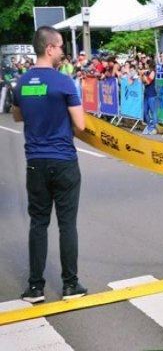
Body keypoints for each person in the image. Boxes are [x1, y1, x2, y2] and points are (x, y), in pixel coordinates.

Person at [12, 26, 87, 303]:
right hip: (64, 160)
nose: (62, 53)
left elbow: (18, 116)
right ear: (49, 49)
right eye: (60, 47)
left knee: (38, 224)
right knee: (67, 224)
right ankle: (70, 285)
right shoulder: (64, 82)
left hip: (35, 162)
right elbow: (80, 125)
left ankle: (35, 287)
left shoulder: (21, 82)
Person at [142, 57, 158, 135]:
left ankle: (154, 128)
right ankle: (149, 126)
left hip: (152, 94)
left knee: (153, 111)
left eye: (145, 63)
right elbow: (142, 81)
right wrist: (143, 77)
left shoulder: (152, 72)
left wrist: (144, 77)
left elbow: (148, 82)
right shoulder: (146, 72)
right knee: (145, 111)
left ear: (148, 64)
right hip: (146, 94)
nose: (144, 65)